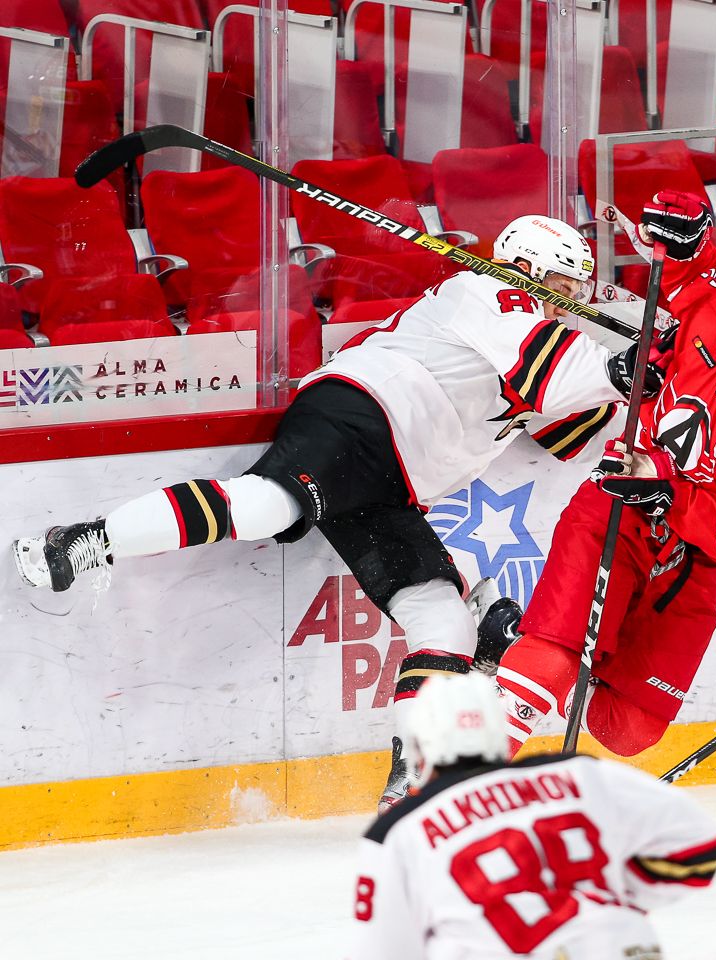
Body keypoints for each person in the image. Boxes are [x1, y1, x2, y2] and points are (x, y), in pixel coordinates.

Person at [12, 215, 663, 810]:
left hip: (393, 481)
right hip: (360, 414)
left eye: (574, 290)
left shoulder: (546, 337)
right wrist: (634, 363)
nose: (568, 300)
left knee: (443, 619)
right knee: (268, 505)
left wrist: (658, 376)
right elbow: (561, 373)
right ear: (524, 268)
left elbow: (573, 429)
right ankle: (82, 542)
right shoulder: (489, 292)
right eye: (560, 284)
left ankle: (414, 784)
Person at [496, 190, 716, 758]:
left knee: (627, 730)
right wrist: (687, 242)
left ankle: (523, 647)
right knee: (557, 649)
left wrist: (668, 496)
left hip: (691, 554)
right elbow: (694, 277)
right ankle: (462, 771)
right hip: (616, 506)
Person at [345, 671, 716, 960]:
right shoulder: (579, 772)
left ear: (420, 745)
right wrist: (615, 898)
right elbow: (699, 846)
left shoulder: (396, 831)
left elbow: (385, 951)